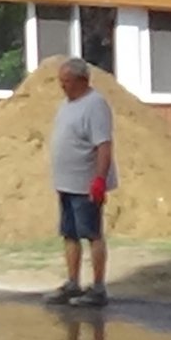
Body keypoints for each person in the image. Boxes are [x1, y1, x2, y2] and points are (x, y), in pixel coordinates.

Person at [46, 57, 118, 308]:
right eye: (61, 81)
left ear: (81, 80)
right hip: (66, 183)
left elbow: (103, 146)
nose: (62, 86)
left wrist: (99, 179)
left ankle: (98, 288)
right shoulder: (66, 105)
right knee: (69, 234)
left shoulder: (95, 105)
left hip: (85, 184)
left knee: (92, 234)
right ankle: (72, 282)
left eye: (66, 81)